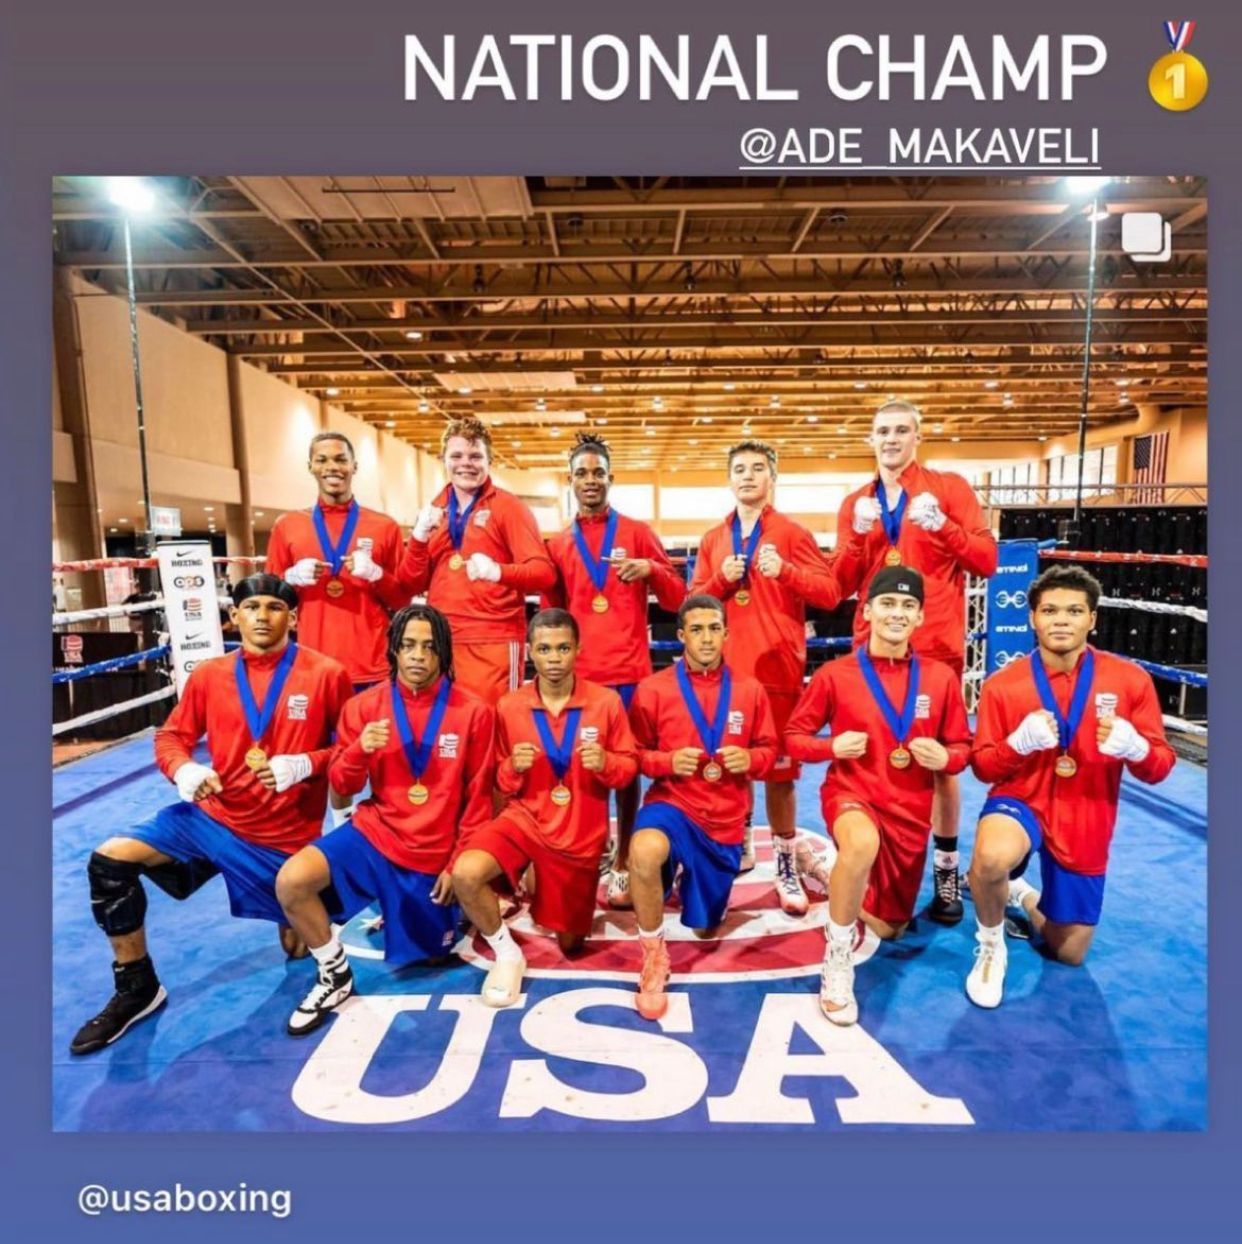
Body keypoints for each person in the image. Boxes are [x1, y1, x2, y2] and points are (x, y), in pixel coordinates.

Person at [68, 575, 352, 1055]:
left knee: (296, 950)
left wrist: (309, 763)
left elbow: (348, 750)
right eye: (251, 607)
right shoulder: (210, 675)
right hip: (212, 818)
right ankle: (137, 987)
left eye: (274, 608)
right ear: (234, 616)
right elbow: (171, 736)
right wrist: (182, 770)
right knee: (109, 862)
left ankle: (305, 900)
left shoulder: (327, 673)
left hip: (282, 837)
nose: (262, 617)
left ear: (294, 617)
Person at [275, 605, 496, 1036]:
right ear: (393, 650)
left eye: (430, 648)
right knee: (292, 882)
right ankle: (334, 973)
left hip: (433, 848)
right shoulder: (363, 707)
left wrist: (458, 862)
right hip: (375, 832)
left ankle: (419, 909)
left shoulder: (474, 711)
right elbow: (340, 780)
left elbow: (478, 797)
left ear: (444, 654)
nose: (418, 656)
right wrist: (359, 749)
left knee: (432, 958)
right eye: (409, 645)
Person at [964, 564, 1176, 1008]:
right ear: (1033, 618)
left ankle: (1020, 894)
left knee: (1069, 951)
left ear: (1092, 619)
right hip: (1021, 799)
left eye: (1074, 610)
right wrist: (1017, 744)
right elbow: (983, 767)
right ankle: (990, 945)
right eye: (1050, 610)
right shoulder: (1004, 685)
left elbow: (1159, 768)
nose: (1061, 619)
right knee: (990, 857)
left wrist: (1136, 748)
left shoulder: (1129, 680)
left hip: (1087, 812)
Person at [833, 401, 998, 926]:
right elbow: (840, 583)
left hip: (936, 648)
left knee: (941, 760)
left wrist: (945, 526)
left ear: (918, 436)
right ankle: (873, 857)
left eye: (902, 430)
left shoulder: (948, 489)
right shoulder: (857, 501)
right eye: (882, 430)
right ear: (870, 438)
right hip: (873, 651)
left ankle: (945, 868)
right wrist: (858, 537)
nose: (891, 439)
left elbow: (987, 560)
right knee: (869, 757)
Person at [785, 566, 971, 1025]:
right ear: (867, 611)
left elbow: (963, 749)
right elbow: (793, 737)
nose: (897, 613)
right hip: (853, 794)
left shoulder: (940, 678)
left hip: (909, 810)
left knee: (890, 928)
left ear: (921, 617)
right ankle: (837, 957)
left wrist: (943, 758)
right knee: (861, 843)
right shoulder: (836, 674)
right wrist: (831, 747)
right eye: (887, 603)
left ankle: (826, 868)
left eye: (908, 605)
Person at [451, 609, 638, 1007]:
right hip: (525, 821)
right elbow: (498, 784)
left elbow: (628, 773)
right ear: (530, 653)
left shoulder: (605, 703)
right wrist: (511, 769)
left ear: (578, 650)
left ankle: (538, 879)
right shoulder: (508, 706)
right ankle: (507, 953)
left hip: (580, 835)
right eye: (545, 649)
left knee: (571, 944)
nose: (554, 658)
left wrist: (606, 763)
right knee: (466, 874)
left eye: (564, 648)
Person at [688, 439, 840, 913]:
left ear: (772, 477)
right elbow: (693, 601)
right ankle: (741, 841)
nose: (748, 476)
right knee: (730, 762)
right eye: (739, 469)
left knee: (779, 773)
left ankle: (787, 863)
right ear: (729, 478)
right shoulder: (715, 538)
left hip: (776, 671)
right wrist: (721, 581)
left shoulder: (792, 533)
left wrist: (788, 571)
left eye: (757, 468)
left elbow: (831, 593)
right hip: (726, 672)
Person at [543, 432, 686, 908]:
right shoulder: (560, 543)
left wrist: (651, 569)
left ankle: (625, 859)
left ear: (611, 478)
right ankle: (591, 850)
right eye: (581, 473)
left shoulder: (638, 533)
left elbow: (676, 598)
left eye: (598, 472)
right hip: (580, 681)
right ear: (570, 480)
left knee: (627, 773)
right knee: (581, 771)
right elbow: (552, 615)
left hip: (630, 675)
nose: (590, 480)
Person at [626, 594, 778, 1020]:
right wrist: (666, 762)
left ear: (727, 634)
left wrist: (751, 759)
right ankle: (654, 955)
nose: (706, 638)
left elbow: (770, 750)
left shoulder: (749, 690)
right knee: (645, 849)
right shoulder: (653, 690)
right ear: (680, 637)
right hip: (672, 803)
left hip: (725, 817)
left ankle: (685, 882)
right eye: (696, 629)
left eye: (714, 628)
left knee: (704, 926)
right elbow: (635, 754)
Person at [266, 431, 412, 825]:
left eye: (341, 460)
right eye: (324, 460)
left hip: (372, 665)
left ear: (354, 466)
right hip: (313, 669)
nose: (333, 468)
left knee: (385, 754)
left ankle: (388, 833)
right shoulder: (288, 527)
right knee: (322, 757)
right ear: (311, 466)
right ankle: (335, 833)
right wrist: (288, 581)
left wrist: (378, 574)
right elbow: (267, 601)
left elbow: (403, 598)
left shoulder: (382, 526)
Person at [399, 416, 556, 705]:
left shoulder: (509, 507)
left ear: (489, 460)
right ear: (443, 459)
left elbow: (544, 573)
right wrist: (419, 538)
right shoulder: (434, 509)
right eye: (456, 455)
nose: (466, 463)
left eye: (475, 456)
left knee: (492, 728)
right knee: (448, 731)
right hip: (440, 640)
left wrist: (499, 572)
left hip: (493, 641)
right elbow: (410, 584)